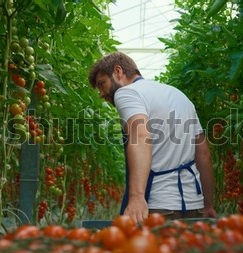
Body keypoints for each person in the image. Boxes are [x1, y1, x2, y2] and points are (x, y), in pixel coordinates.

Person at [88, 52, 217, 223]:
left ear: (118, 71)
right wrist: (208, 205)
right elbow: (203, 155)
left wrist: (136, 197)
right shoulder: (180, 96)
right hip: (195, 206)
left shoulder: (127, 93)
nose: (101, 94)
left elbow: (140, 137)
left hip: (159, 207)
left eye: (101, 84)